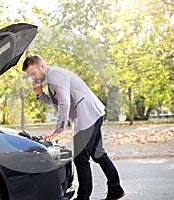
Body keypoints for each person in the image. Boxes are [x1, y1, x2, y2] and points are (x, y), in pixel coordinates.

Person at [22, 55, 124, 200]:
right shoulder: (51, 78)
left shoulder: (56, 76)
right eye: (30, 75)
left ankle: (84, 197)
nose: (32, 78)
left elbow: (64, 103)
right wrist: (39, 94)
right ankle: (116, 188)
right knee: (98, 154)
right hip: (90, 114)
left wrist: (58, 130)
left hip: (87, 116)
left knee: (81, 160)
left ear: (42, 67)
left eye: (33, 73)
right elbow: (55, 103)